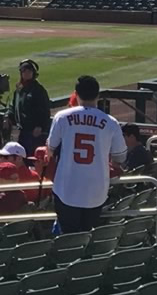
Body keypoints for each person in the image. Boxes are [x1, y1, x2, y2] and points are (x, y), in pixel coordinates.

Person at [47, 74, 124, 235]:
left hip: (67, 189)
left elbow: (50, 148)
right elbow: (120, 156)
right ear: (98, 95)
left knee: (69, 240)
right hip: (96, 192)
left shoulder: (62, 117)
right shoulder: (110, 122)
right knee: (87, 237)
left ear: (76, 94)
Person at [6, 58, 51, 152]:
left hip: (34, 132)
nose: (26, 73)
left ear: (33, 73)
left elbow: (45, 110)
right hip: (23, 131)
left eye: (29, 71)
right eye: (24, 71)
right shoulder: (19, 89)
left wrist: (40, 126)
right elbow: (13, 106)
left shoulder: (38, 89)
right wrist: (8, 117)